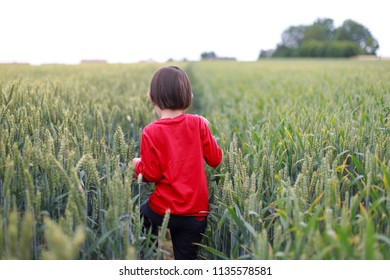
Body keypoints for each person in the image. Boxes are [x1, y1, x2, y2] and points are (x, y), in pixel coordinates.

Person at [132, 65, 222, 260]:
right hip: (196, 213)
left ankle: (149, 258)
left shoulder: (150, 131)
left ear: (152, 98)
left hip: (162, 210)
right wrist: (206, 130)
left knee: (141, 218)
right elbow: (215, 160)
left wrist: (137, 164)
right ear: (188, 97)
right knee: (187, 261)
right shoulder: (198, 124)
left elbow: (151, 174)